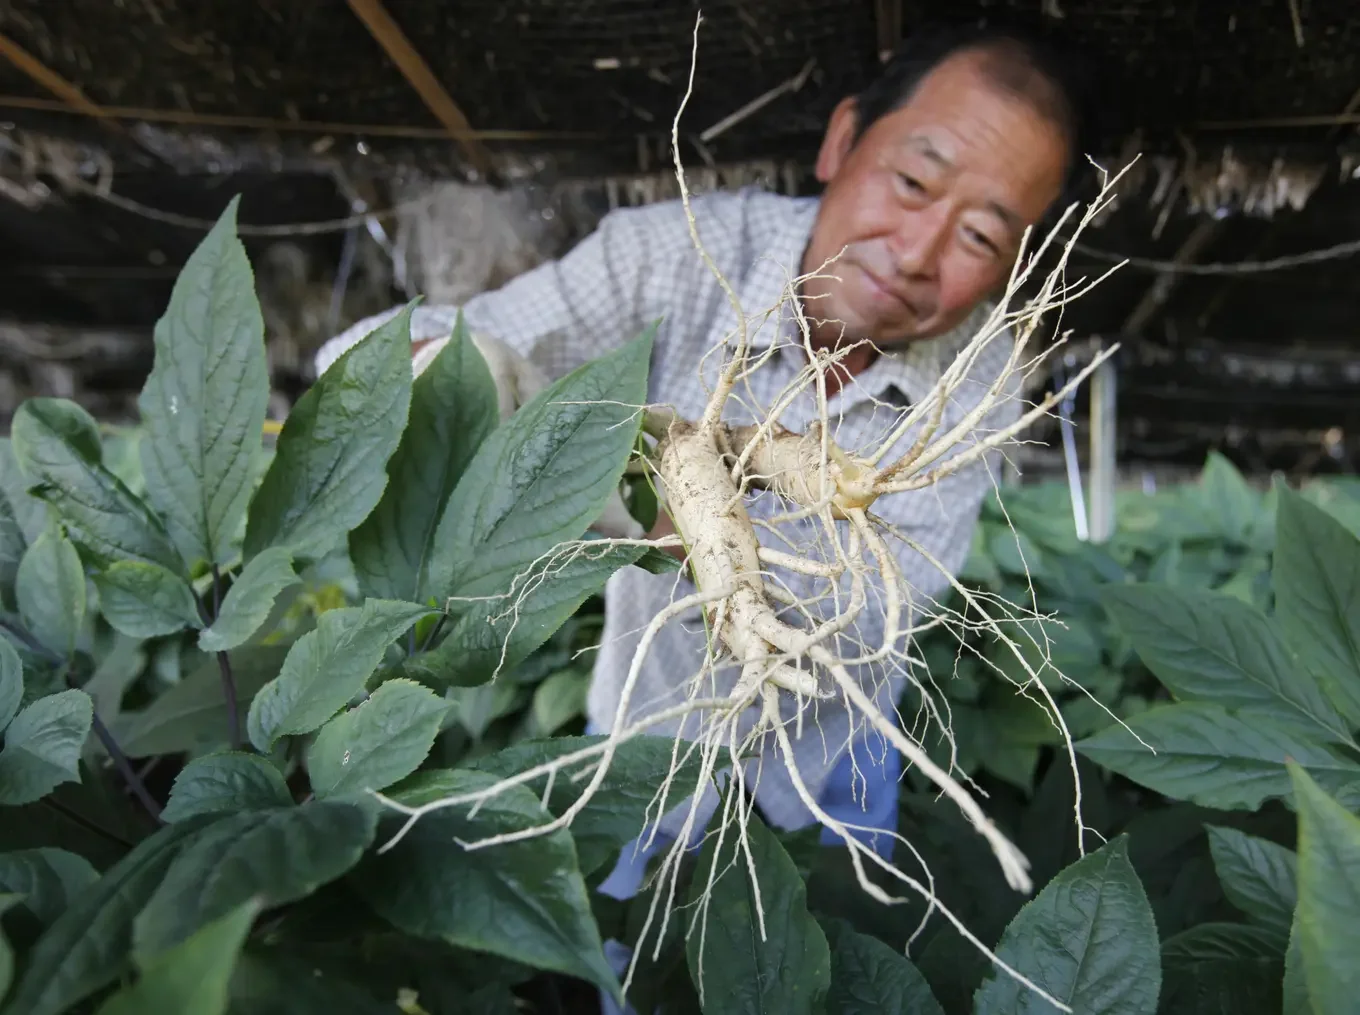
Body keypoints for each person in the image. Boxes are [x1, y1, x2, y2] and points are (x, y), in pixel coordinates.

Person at [315, 18, 1094, 1010]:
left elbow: (884, 603)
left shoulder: (981, 376)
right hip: (647, 736)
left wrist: (721, 516)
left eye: (981, 235)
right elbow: (357, 357)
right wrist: (457, 381)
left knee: (834, 971)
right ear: (843, 139)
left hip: (836, 752)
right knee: (630, 971)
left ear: (1014, 261)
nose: (917, 251)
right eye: (911, 181)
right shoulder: (670, 255)